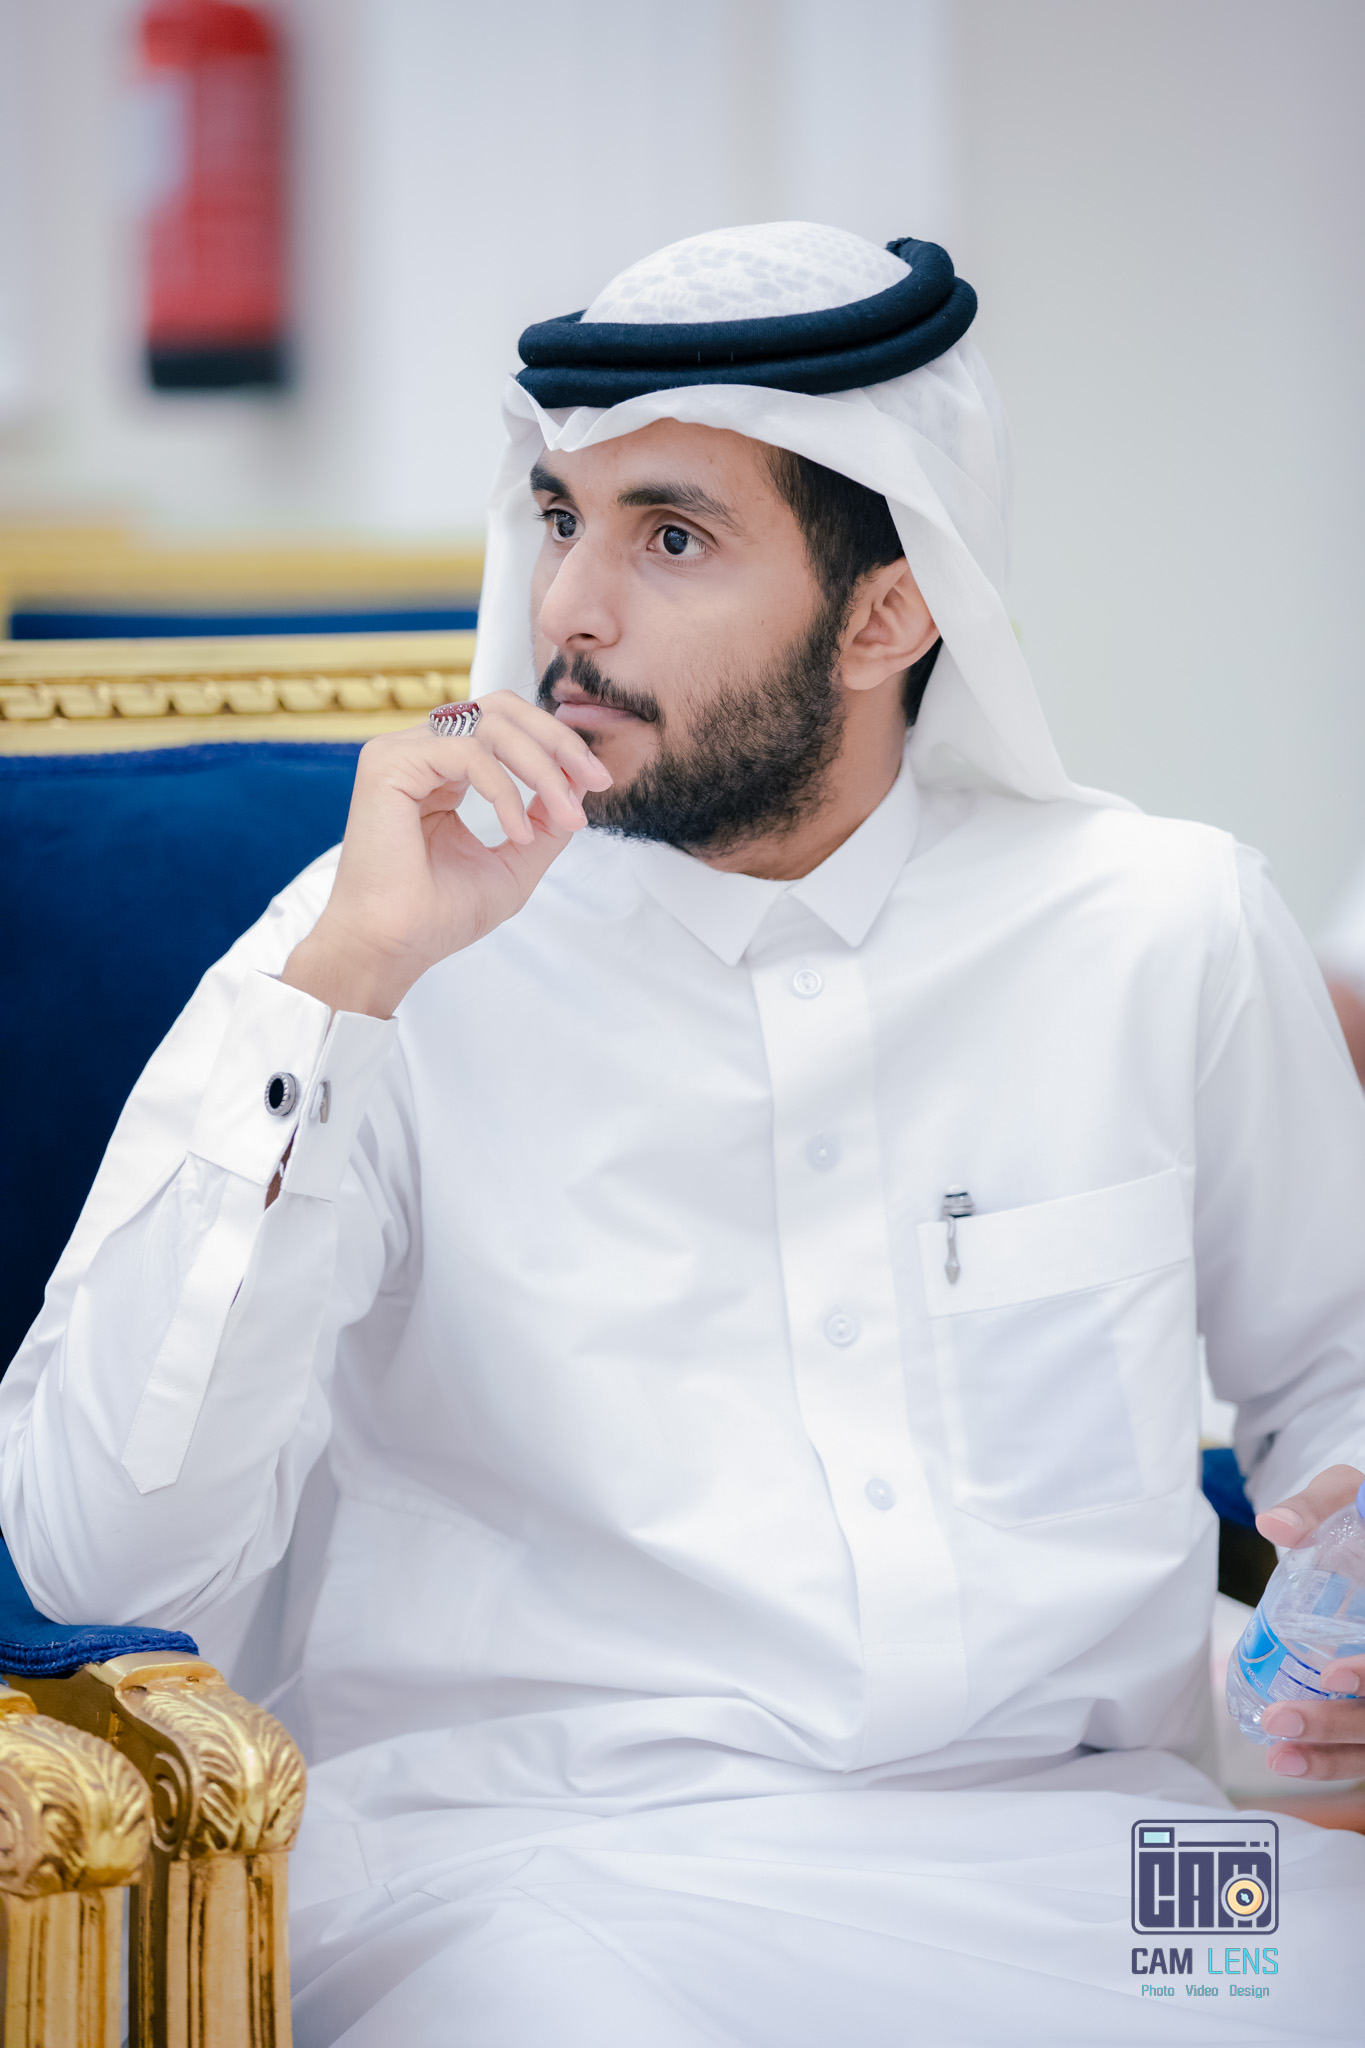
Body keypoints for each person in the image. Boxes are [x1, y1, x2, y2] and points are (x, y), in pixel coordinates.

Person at [4, 221, 1365, 2045]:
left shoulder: (1159, 924)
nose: (570, 606)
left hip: (1098, 1861)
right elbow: (96, 1567)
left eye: (670, 538)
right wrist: (341, 998)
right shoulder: (371, 955)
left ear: (887, 613)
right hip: (544, 1879)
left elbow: (1337, 1380)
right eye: (560, 517)